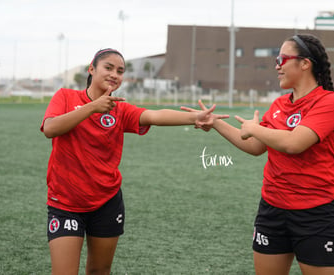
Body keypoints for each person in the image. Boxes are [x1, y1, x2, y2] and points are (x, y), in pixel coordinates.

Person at [40, 48, 228, 275]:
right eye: (108, 67)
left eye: (120, 71)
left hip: (106, 201)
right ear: (92, 68)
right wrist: (92, 107)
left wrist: (194, 118)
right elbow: (50, 128)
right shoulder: (66, 97)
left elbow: (154, 116)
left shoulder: (120, 109)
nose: (114, 74)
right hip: (66, 203)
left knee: (99, 271)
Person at [183, 34, 334, 275]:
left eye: (282, 58)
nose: (277, 65)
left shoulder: (330, 103)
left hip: (315, 214)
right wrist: (215, 123)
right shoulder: (280, 104)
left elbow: (294, 143)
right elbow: (255, 146)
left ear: (305, 63)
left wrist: (255, 129)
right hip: (272, 210)